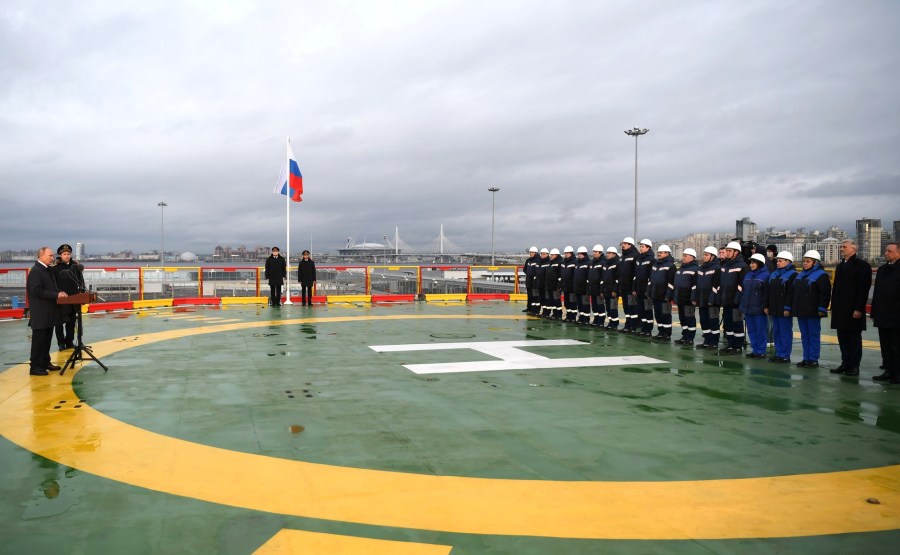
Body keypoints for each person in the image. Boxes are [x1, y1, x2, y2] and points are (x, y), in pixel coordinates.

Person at [829, 239, 872, 377]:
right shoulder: (840, 266)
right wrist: (833, 306)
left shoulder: (862, 266)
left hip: (853, 309)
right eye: (841, 247)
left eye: (844, 247)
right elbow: (836, 289)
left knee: (854, 338)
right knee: (842, 337)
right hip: (840, 309)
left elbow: (863, 289)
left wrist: (859, 308)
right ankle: (845, 363)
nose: (842, 249)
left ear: (854, 249)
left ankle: (854, 366)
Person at [786, 250, 831, 369]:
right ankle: (806, 358)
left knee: (813, 335)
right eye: (804, 261)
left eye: (808, 261)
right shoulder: (800, 275)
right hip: (801, 310)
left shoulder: (821, 275)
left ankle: (813, 359)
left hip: (813, 311)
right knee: (804, 335)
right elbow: (794, 293)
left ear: (815, 263)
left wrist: (822, 309)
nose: (805, 264)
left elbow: (825, 294)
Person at [27, 247, 68, 375]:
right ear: (41, 256)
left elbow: (51, 287)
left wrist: (58, 292)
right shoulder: (36, 271)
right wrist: (55, 295)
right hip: (40, 312)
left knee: (47, 339)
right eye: (50, 255)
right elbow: (36, 290)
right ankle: (35, 367)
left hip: (49, 312)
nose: (52, 258)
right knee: (39, 340)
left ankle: (45, 362)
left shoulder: (47, 270)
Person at [872, 242, 900, 384]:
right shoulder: (882, 269)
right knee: (886, 345)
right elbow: (877, 292)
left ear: (898, 253)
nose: (886, 253)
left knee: (897, 345)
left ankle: (898, 373)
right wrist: (874, 312)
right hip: (883, 314)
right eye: (885, 251)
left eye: (889, 251)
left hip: (896, 315)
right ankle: (888, 370)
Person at [765, 251, 797, 363]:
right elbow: (768, 292)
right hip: (774, 308)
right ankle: (779, 354)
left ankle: (785, 355)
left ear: (788, 262)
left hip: (784, 309)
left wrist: (787, 308)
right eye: (777, 261)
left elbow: (791, 293)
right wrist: (767, 306)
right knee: (776, 332)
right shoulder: (774, 274)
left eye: (780, 261)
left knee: (785, 332)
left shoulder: (792, 274)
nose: (777, 263)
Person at [51, 243, 84, 350]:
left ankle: (69, 341)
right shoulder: (55, 268)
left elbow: (81, 281)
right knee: (59, 323)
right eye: (64, 254)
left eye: (68, 254)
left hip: (74, 298)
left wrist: (82, 293)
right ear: (60, 255)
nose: (66, 256)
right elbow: (53, 284)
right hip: (61, 299)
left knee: (72, 322)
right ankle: (61, 343)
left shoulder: (75, 267)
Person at [719, 241, 748, 354]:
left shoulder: (742, 266)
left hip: (736, 302)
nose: (727, 253)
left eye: (729, 251)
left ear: (736, 252)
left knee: (737, 324)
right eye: (726, 250)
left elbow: (741, 285)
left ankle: (738, 346)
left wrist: (736, 299)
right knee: (728, 324)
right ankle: (730, 345)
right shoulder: (725, 265)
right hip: (726, 300)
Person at [739, 253, 770, 359]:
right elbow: (744, 291)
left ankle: (761, 351)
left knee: (760, 331)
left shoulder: (766, 276)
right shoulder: (748, 275)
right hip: (748, 308)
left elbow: (766, 293)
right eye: (751, 263)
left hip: (759, 308)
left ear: (760, 264)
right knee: (751, 331)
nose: (751, 265)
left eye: (753, 263)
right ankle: (755, 350)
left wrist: (765, 306)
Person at [693, 246, 722, 350]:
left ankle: (714, 342)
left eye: (706, 255)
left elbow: (716, 286)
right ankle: (707, 341)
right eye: (704, 254)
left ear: (712, 256)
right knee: (704, 321)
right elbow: (696, 284)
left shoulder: (717, 268)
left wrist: (711, 299)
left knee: (713, 322)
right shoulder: (700, 268)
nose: (704, 256)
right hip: (702, 300)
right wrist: (695, 298)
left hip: (712, 302)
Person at [647, 244, 676, 340]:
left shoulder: (671, 266)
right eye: (658, 252)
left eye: (661, 252)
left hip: (664, 296)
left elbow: (671, 283)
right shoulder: (656, 264)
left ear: (667, 253)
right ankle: (661, 332)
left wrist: (668, 296)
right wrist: (649, 292)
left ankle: (667, 334)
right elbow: (651, 279)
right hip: (656, 295)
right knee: (658, 314)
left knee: (666, 315)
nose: (658, 254)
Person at [673, 248, 699, 345]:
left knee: (689, 318)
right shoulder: (681, 268)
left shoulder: (695, 269)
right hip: (680, 298)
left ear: (692, 257)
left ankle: (690, 338)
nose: (683, 257)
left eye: (685, 256)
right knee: (682, 318)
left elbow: (695, 286)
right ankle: (684, 336)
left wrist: (693, 298)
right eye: (683, 255)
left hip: (688, 299)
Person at [634, 239, 655, 337]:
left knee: (648, 310)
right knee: (640, 310)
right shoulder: (639, 259)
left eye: (643, 246)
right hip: (639, 289)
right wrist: (634, 288)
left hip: (646, 290)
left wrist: (648, 290)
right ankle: (643, 328)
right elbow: (635, 275)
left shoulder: (651, 260)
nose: (641, 248)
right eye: (640, 246)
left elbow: (651, 277)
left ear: (648, 247)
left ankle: (648, 329)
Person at [618, 238, 638, 333]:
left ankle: (633, 326)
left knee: (632, 307)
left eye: (625, 243)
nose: (623, 245)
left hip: (630, 287)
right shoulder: (622, 257)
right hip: (623, 287)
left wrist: (634, 287)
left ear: (631, 245)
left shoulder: (635, 256)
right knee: (626, 307)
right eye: (623, 243)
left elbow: (635, 273)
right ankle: (628, 324)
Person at [602, 247, 620, 330]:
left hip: (613, 291)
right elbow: (603, 278)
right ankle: (610, 322)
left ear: (614, 254)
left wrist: (615, 290)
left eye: (609, 253)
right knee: (608, 308)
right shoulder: (606, 263)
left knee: (613, 308)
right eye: (607, 253)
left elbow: (618, 278)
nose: (607, 254)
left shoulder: (617, 263)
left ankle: (615, 323)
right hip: (606, 290)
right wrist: (602, 289)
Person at [576, 246, 594, 325]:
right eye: (578, 254)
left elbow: (589, 276)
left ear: (585, 254)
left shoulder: (588, 263)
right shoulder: (577, 263)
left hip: (584, 288)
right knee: (579, 304)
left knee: (585, 304)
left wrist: (588, 287)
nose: (579, 255)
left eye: (581, 254)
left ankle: (586, 319)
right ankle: (581, 317)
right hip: (577, 287)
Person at [543, 248, 563, 319]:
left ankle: (559, 315)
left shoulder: (560, 262)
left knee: (557, 301)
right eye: (551, 255)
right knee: (552, 301)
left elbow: (560, 275)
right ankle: (554, 314)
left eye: (552, 255)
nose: (551, 256)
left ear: (557, 255)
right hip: (549, 285)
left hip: (555, 286)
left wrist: (559, 286)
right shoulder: (550, 262)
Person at [560, 246, 577, 321]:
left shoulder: (575, 262)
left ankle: (573, 317)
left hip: (572, 287)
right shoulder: (563, 262)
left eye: (567, 253)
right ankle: (568, 316)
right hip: (565, 286)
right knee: (566, 303)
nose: (566, 254)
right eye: (565, 253)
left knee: (572, 303)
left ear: (571, 253)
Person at [523, 247, 540, 314]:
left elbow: (539, 270)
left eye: (532, 252)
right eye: (530, 252)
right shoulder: (528, 260)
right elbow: (525, 269)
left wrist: (534, 276)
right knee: (529, 295)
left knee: (535, 296)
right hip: (528, 281)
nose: (531, 253)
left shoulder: (538, 260)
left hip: (535, 281)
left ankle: (535, 310)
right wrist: (529, 274)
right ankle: (529, 307)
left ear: (536, 253)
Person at [533, 248, 549, 316]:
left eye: (544, 254)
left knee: (545, 299)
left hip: (545, 284)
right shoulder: (538, 262)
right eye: (541, 254)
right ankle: (541, 311)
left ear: (547, 254)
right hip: (539, 283)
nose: (542, 255)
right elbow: (535, 272)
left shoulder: (548, 262)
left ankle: (546, 312)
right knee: (541, 299)